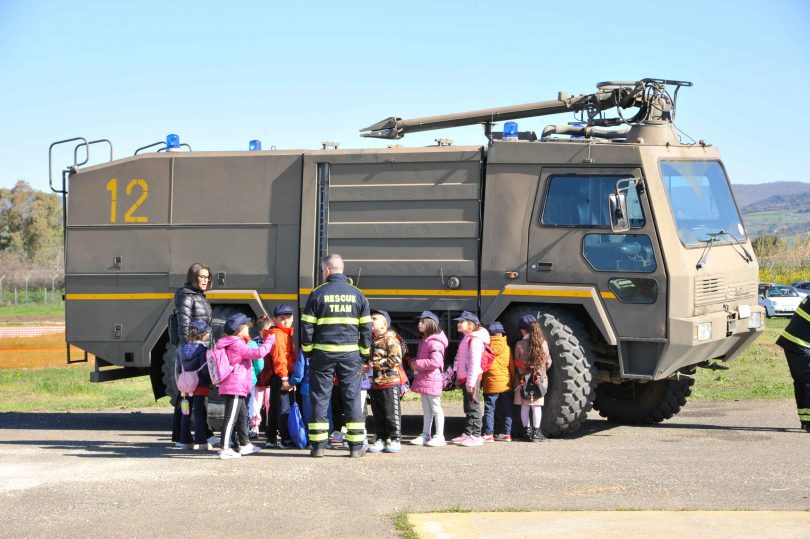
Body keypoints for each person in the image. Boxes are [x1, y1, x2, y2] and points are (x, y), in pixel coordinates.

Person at [301, 254, 372, 458]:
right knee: (351, 398)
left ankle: (318, 447)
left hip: (323, 354)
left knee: (320, 398)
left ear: (327, 270)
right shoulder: (358, 294)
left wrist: (308, 351)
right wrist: (364, 354)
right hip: (350, 355)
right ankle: (356, 447)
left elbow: (307, 326)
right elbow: (366, 328)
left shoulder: (317, 293)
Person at [215, 313, 275, 459]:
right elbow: (258, 353)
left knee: (243, 415)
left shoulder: (233, 342)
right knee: (231, 418)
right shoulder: (236, 344)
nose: (249, 330)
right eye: (247, 328)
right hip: (234, 386)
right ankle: (225, 447)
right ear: (240, 330)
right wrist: (270, 339)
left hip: (238, 386)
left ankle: (244, 444)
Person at [172, 263, 215, 447]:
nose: (205, 280)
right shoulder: (187, 296)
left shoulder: (198, 296)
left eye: (207, 277)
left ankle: (187, 436)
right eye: (202, 276)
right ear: (193, 277)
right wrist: (189, 352)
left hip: (199, 349)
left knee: (189, 397)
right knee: (192, 397)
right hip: (193, 354)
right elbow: (184, 324)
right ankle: (190, 437)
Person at [259, 304, 298, 448]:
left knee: (275, 407)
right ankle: (286, 440)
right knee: (284, 408)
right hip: (282, 376)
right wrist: (285, 378)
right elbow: (280, 358)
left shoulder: (276, 333)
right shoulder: (279, 335)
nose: (286, 321)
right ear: (275, 319)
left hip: (276, 376)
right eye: (282, 318)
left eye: (289, 318)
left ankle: (271, 438)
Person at [408, 311, 448, 447]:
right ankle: (426, 434)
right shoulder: (425, 341)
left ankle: (439, 436)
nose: (419, 324)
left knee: (435, 408)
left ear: (430, 324)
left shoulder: (434, 343)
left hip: (432, 379)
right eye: (419, 322)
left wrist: (416, 364)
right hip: (426, 379)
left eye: (423, 322)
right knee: (427, 408)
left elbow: (435, 362)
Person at [366, 309, 403, 453]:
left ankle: (395, 438)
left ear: (384, 324)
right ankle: (381, 437)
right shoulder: (373, 340)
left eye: (374, 318)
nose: (370, 320)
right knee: (378, 413)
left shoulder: (390, 338)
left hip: (389, 382)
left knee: (391, 413)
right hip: (376, 383)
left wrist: (374, 364)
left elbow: (396, 360)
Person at [451, 311, 490, 447]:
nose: (458, 324)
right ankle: (468, 433)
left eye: (462, 322)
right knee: (468, 406)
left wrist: (471, 382)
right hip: (466, 377)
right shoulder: (467, 337)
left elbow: (475, 362)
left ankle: (476, 435)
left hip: (471, 377)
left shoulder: (474, 340)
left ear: (471, 325)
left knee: (473, 405)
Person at [176, 318, 213, 450]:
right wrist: (210, 381)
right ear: (203, 334)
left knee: (185, 412)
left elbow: (179, 368)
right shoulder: (202, 349)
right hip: (199, 385)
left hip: (185, 385)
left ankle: (185, 440)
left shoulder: (181, 348)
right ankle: (201, 441)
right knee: (198, 412)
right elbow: (204, 369)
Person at [513, 315, 551, 442]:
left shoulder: (519, 344)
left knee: (525, 405)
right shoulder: (543, 344)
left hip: (523, 380)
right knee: (536, 407)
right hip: (538, 380)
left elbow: (516, 361)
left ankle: (526, 432)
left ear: (523, 330)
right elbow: (548, 362)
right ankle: (536, 433)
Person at [775, 294, 810, 432]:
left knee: (802, 383)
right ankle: (808, 422)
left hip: (794, 344)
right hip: (800, 345)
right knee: (807, 383)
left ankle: (805, 421)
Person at [482, 321, 514, 442]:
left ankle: (489, 434)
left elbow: (484, 367)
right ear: (501, 334)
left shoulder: (486, 348)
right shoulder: (507, 348)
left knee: (490, 410)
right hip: (505, 384)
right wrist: (512, 380)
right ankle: (507, 434)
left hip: (490, 385)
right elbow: (511, 367)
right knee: (507, 410)